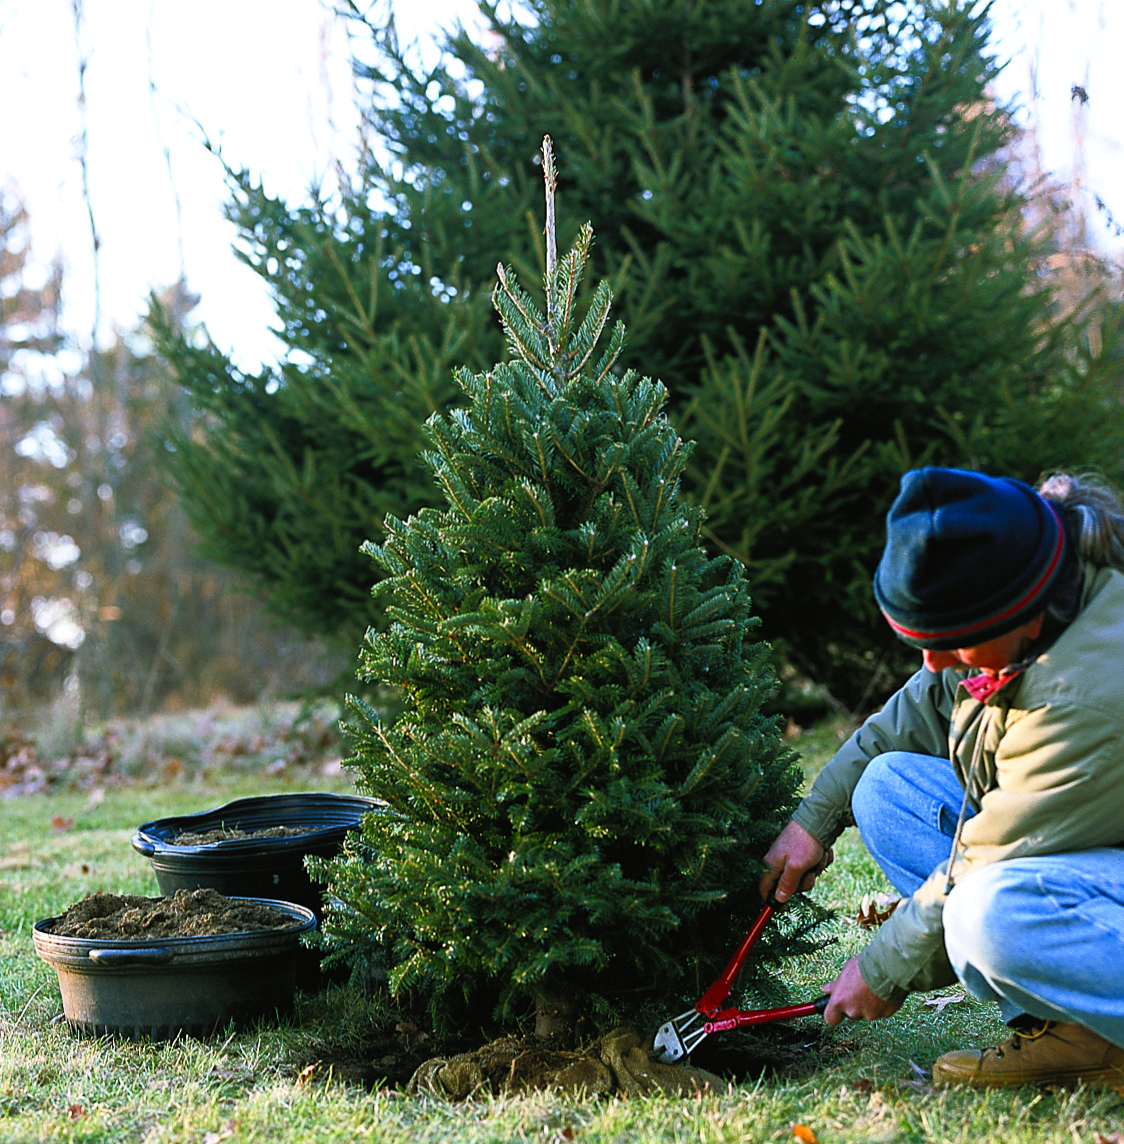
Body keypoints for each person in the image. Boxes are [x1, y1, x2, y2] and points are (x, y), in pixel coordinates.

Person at [760, 466, 1124, 1089]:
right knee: (886, 787)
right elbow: (909, 714)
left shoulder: (1085, 697)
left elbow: (982, 859)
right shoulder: (1024, 587)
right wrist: (810, 821)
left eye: (951, 642)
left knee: (986, 913)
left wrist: (880, 970)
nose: (932, 662)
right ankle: (1078, 1034)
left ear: (1024, 617)